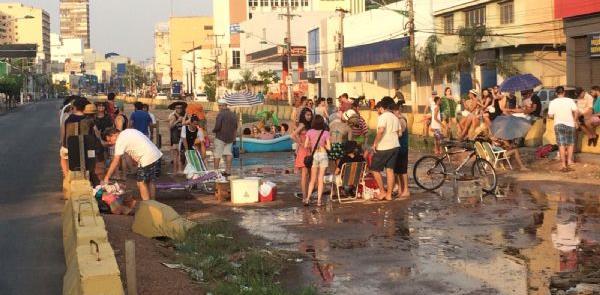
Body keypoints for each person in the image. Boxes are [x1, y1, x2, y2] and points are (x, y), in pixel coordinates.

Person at [103, 128, 163, 200]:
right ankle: (153, 202)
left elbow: (115, 161)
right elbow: (134, 146)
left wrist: (107, 177)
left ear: (114, 135)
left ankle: (148, 205)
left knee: (141, 183)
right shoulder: (129, 131)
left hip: (147, 158)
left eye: (109, 140)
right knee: (151, 180)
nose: (110, 143)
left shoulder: (120, 140)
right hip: (156, 155)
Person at [370, 97, 400, 201]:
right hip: (395, 146)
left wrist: (375, 144)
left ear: (381, 108)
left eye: (377, 109)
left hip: (384, 147)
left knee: (374, 169)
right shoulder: (395, 117)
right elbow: (398, 133)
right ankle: (389, 195)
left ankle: (382, 191)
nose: (377, 111)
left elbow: (381, 130)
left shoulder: (383, 117)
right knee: (390, 170)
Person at [548, 86, 579, 172]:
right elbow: (576, 111)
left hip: (558, 125)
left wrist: (552, 116)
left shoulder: (553, 102)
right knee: (570, 144)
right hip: (570, 124)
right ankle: (569, 161)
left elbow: (550, 115)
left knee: (561, 145)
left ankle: (563, 164)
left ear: (556, 93)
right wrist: (575, 120)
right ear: (564, 92)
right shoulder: (570, 100)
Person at [304, 115, 331, 207]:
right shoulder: (326, 132)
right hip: (323, 154)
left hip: (314, 155)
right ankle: (319, 201)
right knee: (320, 179)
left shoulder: (309, 132)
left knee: (312, 179)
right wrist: (322, 145)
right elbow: (329, 147)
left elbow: (305, 145)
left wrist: (312, 144)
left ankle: (307, 199)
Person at [292, 108, 313, 201]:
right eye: (307, 115)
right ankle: (305, 197)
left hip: (310, 150)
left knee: (309, 175)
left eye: (310, 115)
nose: (309, 116)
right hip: (303, 151)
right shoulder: (303, 124)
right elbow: (292, 135)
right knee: (305, 175)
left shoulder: (309, 125)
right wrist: (300, 143)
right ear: (303, 115)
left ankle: (307, 195)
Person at [212, 99, 238, 176]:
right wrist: (234, 138)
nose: (219, 107)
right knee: (228, 154)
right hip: (230, 138)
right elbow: (235, 127)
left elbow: (217, 126)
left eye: (219, 105)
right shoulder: (233, 114)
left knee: (217, 154)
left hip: (220, 137)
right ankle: (228, 171)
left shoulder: (220, 114)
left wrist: (214, 131)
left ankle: (215, 172)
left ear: (223, 105)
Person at [392, 101, 410, 199]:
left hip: (403, 147)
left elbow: (400, 133)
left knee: (403, 170)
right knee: (397, 170)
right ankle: (400, 189)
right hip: (398, 147)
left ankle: (406, 190)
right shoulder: (397, 119)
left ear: (397, 111)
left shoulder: (401, 120)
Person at [168, 102, 186, 174]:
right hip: (175, 137)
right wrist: (178, 121)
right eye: (178, 108)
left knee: (181, 154)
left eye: (181, 108)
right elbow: (170, 126)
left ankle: (180, 169)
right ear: (175, 109)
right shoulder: (173, 116)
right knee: (176, 154)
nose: (179, 109)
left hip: (182, 137)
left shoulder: (184, 115)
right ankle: (176, 171)